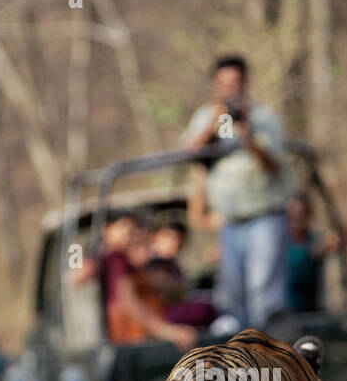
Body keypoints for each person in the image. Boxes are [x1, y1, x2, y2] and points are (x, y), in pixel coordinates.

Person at [182, 55, 294, 331]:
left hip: (264, 215)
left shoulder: (263, 117)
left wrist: (247, 135)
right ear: (215, 85)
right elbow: (190, 154)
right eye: (224, 83)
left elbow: (275, 165)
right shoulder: (205, 117)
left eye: (236, 82)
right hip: (228, 220)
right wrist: (214, 123)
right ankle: (239, 349)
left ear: (245, 83)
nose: (231, 88)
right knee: (233, 293)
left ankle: (267, 346)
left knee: (264, 288)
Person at [98, 211, 196, 349]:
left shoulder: (128, 261)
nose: (129, 235)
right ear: (107, 229)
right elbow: (129, 301)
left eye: (133, 229)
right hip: (133, 339)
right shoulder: (115, 258)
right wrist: (166, 331)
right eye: (124, 228)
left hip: (141, 336)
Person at [286, 194, 342, 313]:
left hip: (313, 311)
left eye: (301, 215)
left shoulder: (313, 238)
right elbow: (293, 267)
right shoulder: (279, 244)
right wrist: (311, 253)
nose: (296, 221)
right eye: (291, 216)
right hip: (289, 313)